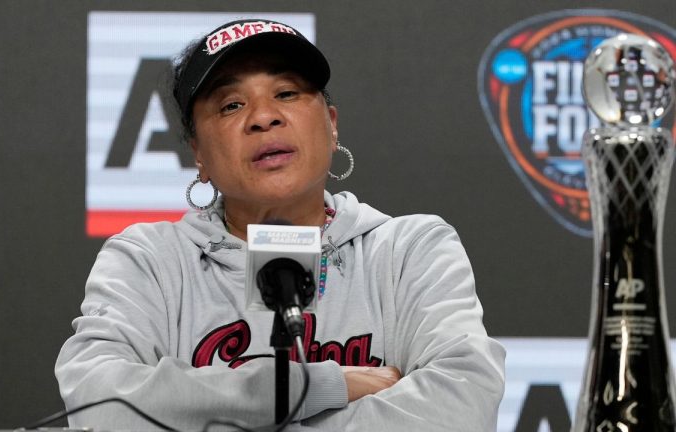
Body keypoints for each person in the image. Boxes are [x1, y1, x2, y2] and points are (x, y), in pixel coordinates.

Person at [55, 18, 506, 431]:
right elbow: (100, 405)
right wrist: (315, 387)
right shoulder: (148, 261)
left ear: (331, 125)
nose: (263, 117)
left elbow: (462, 407)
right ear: (199, 154)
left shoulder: (409, 250)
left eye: (286, 93)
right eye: (231, 105)